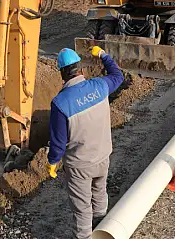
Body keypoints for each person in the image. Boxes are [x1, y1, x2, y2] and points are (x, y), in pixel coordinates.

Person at [46, 46, 124, 239]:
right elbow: (118, 75)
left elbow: (58, 141)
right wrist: (103, 55)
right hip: (103, 156)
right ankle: (102, 225)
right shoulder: (100, 86)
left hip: (80, 166)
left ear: (62, 75)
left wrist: (52, 162)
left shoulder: (60, 103)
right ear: (81, 70)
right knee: (99, 192)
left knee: (82, 209)